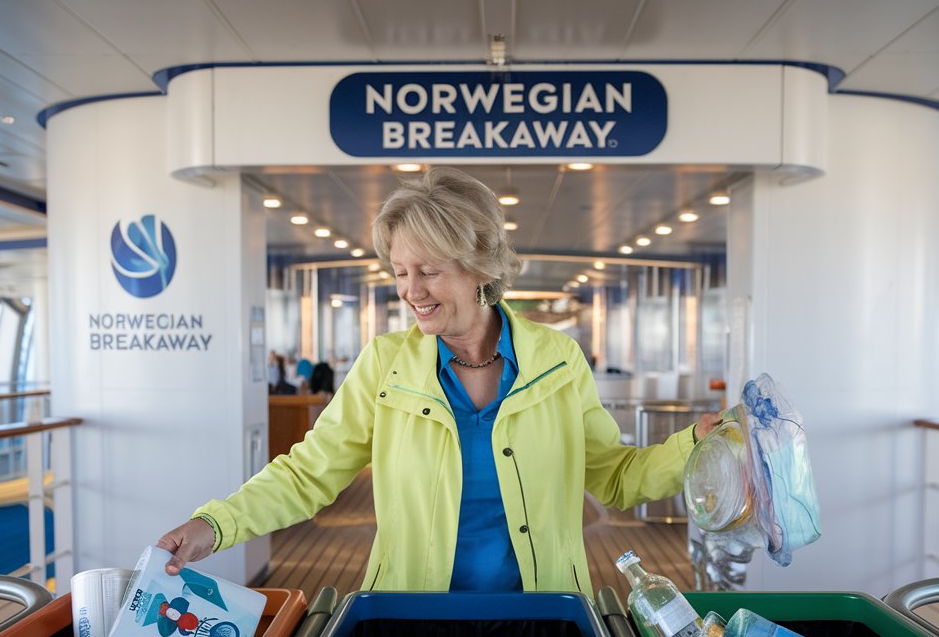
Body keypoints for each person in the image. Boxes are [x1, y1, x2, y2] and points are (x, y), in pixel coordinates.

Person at [157, 167, 718, 594]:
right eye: (401, 272)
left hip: (544, 615)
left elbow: (615, 476)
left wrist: (694, 446)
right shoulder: (385, 365)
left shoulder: (558, 360)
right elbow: (308, 474)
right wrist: (216, 524)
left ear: (481, 268)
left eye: (428, 271)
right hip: (412, 617)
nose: (411, 290)